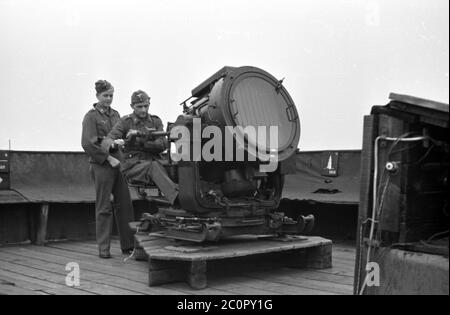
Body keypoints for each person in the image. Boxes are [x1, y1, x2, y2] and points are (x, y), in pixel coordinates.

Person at [81, 80, 135, 259]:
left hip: (118, 164)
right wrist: (108, 158)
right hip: (101, 166)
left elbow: (118, 136)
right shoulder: (91, 117)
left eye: (111, 95)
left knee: (125, 205)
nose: (109, 99)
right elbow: (88, 143)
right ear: (97, 96)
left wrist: (126, 139)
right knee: (104, 207)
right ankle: (103, 249)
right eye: (105, 95)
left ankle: (128, 246)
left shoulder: (117, 115)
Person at [102, 90, 178, 205]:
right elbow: (106, 141)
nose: (143, 110)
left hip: (156, 163)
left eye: (146, 106)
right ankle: (177, 198)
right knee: (152, 166)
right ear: (132, 106)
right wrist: (114, 144)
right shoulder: (125, 122)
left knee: (181, 167)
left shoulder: (155, 121)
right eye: (139, 107)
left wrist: (141, 141)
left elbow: (162, 144)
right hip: (133, 167)